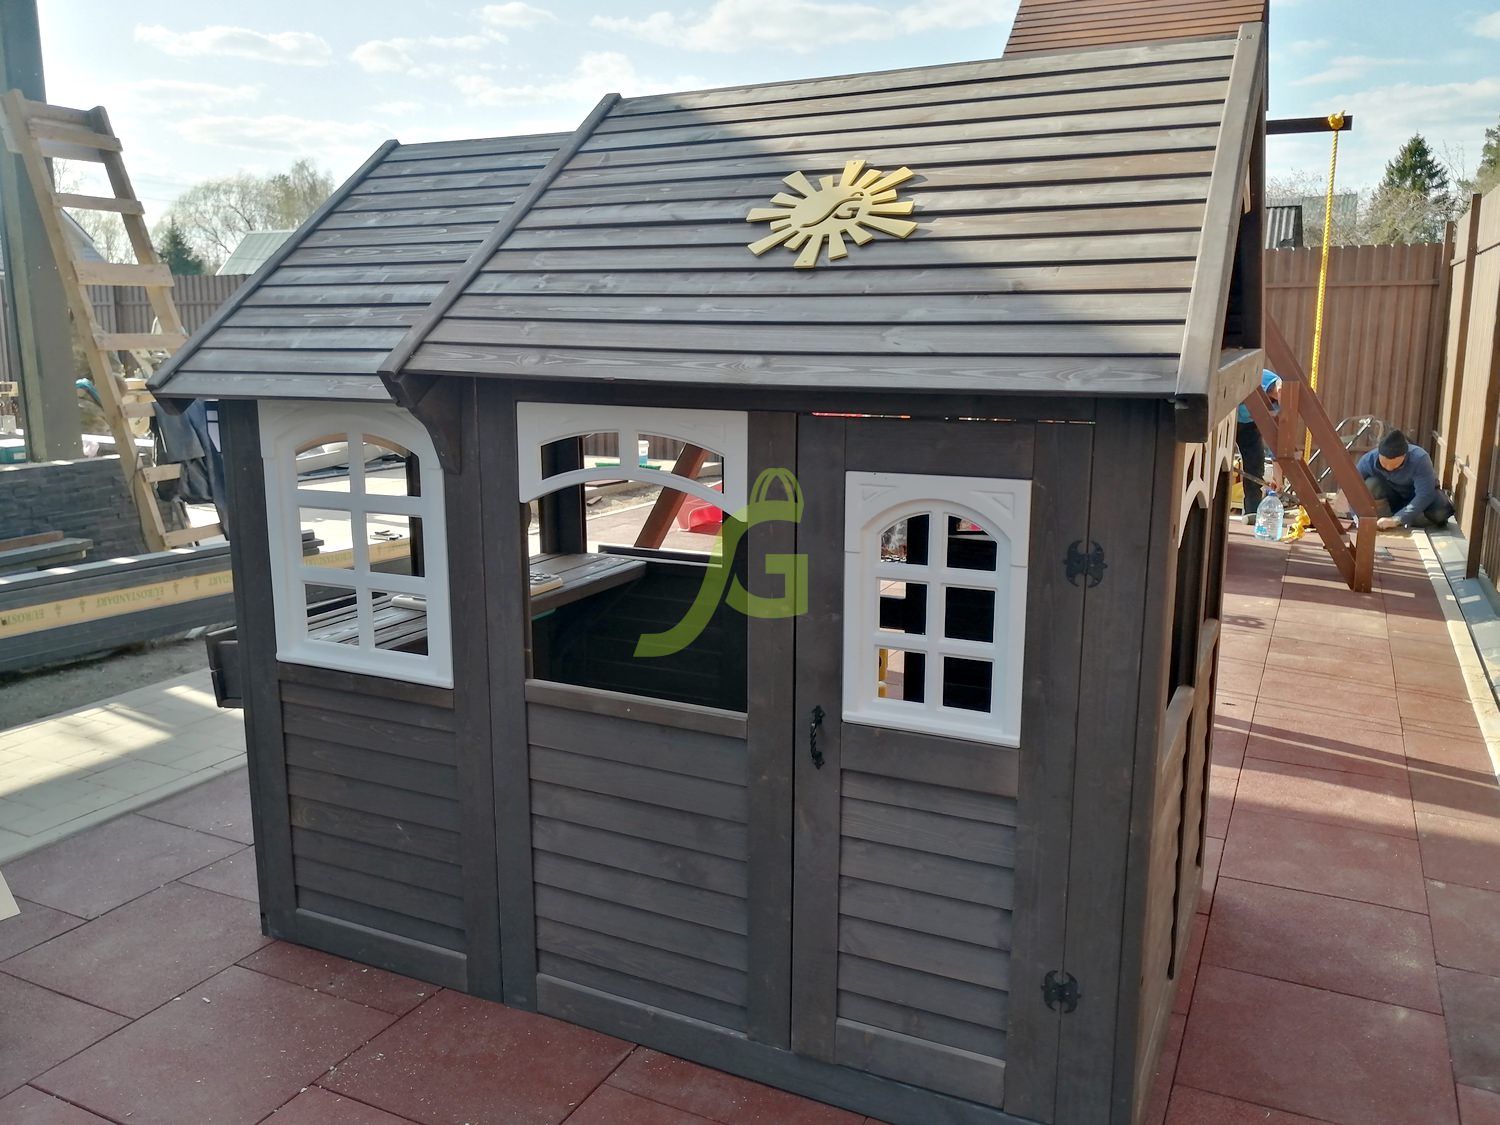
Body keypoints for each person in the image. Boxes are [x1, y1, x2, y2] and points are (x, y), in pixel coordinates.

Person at [1356, 429, 1455, 530]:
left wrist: (1397, 519)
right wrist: (1356, 516)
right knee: (1371, 484)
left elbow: (1425, 494)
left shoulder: (1420, 459)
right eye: (1384, 464)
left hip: (1417, 499)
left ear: (1404, 455)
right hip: (1391, 499)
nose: (1389, 468)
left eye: (1394, 465)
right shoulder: (1367, 460)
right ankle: (1384, 522)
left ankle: (1403, 520)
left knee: (1441, 512)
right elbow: (1353, 488)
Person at [1236, 369, 1282, 524]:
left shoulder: (1278, 406)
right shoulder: (1263, 376)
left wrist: (1278, 476)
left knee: (1255, 468)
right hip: (1228, 419)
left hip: (1250, 426)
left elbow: (1275, 438)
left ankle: (1252, 513)